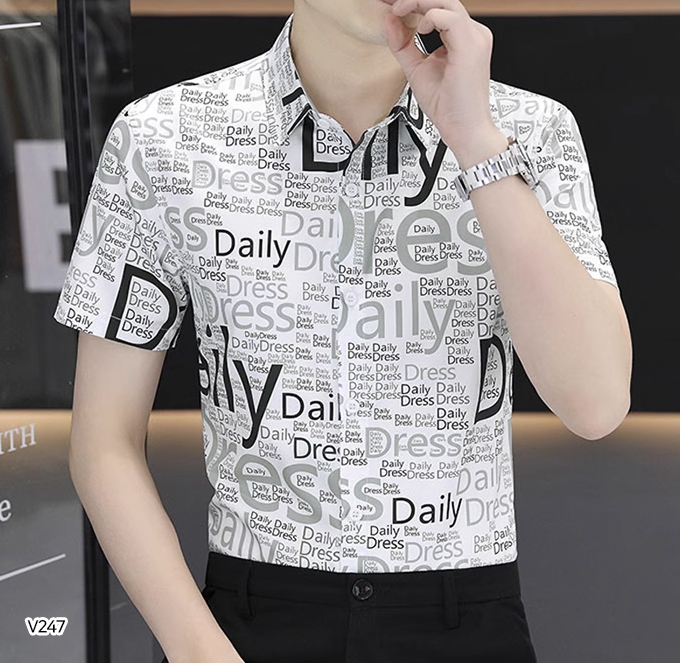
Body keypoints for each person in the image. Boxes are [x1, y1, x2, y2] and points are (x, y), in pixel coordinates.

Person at [54, 0, 633, 661]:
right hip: (248, 620)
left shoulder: (531, 131)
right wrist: (199, 652)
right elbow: (103, 442)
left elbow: (596, 404)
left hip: (464, 617)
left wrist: (475, 142)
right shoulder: (164, 135)